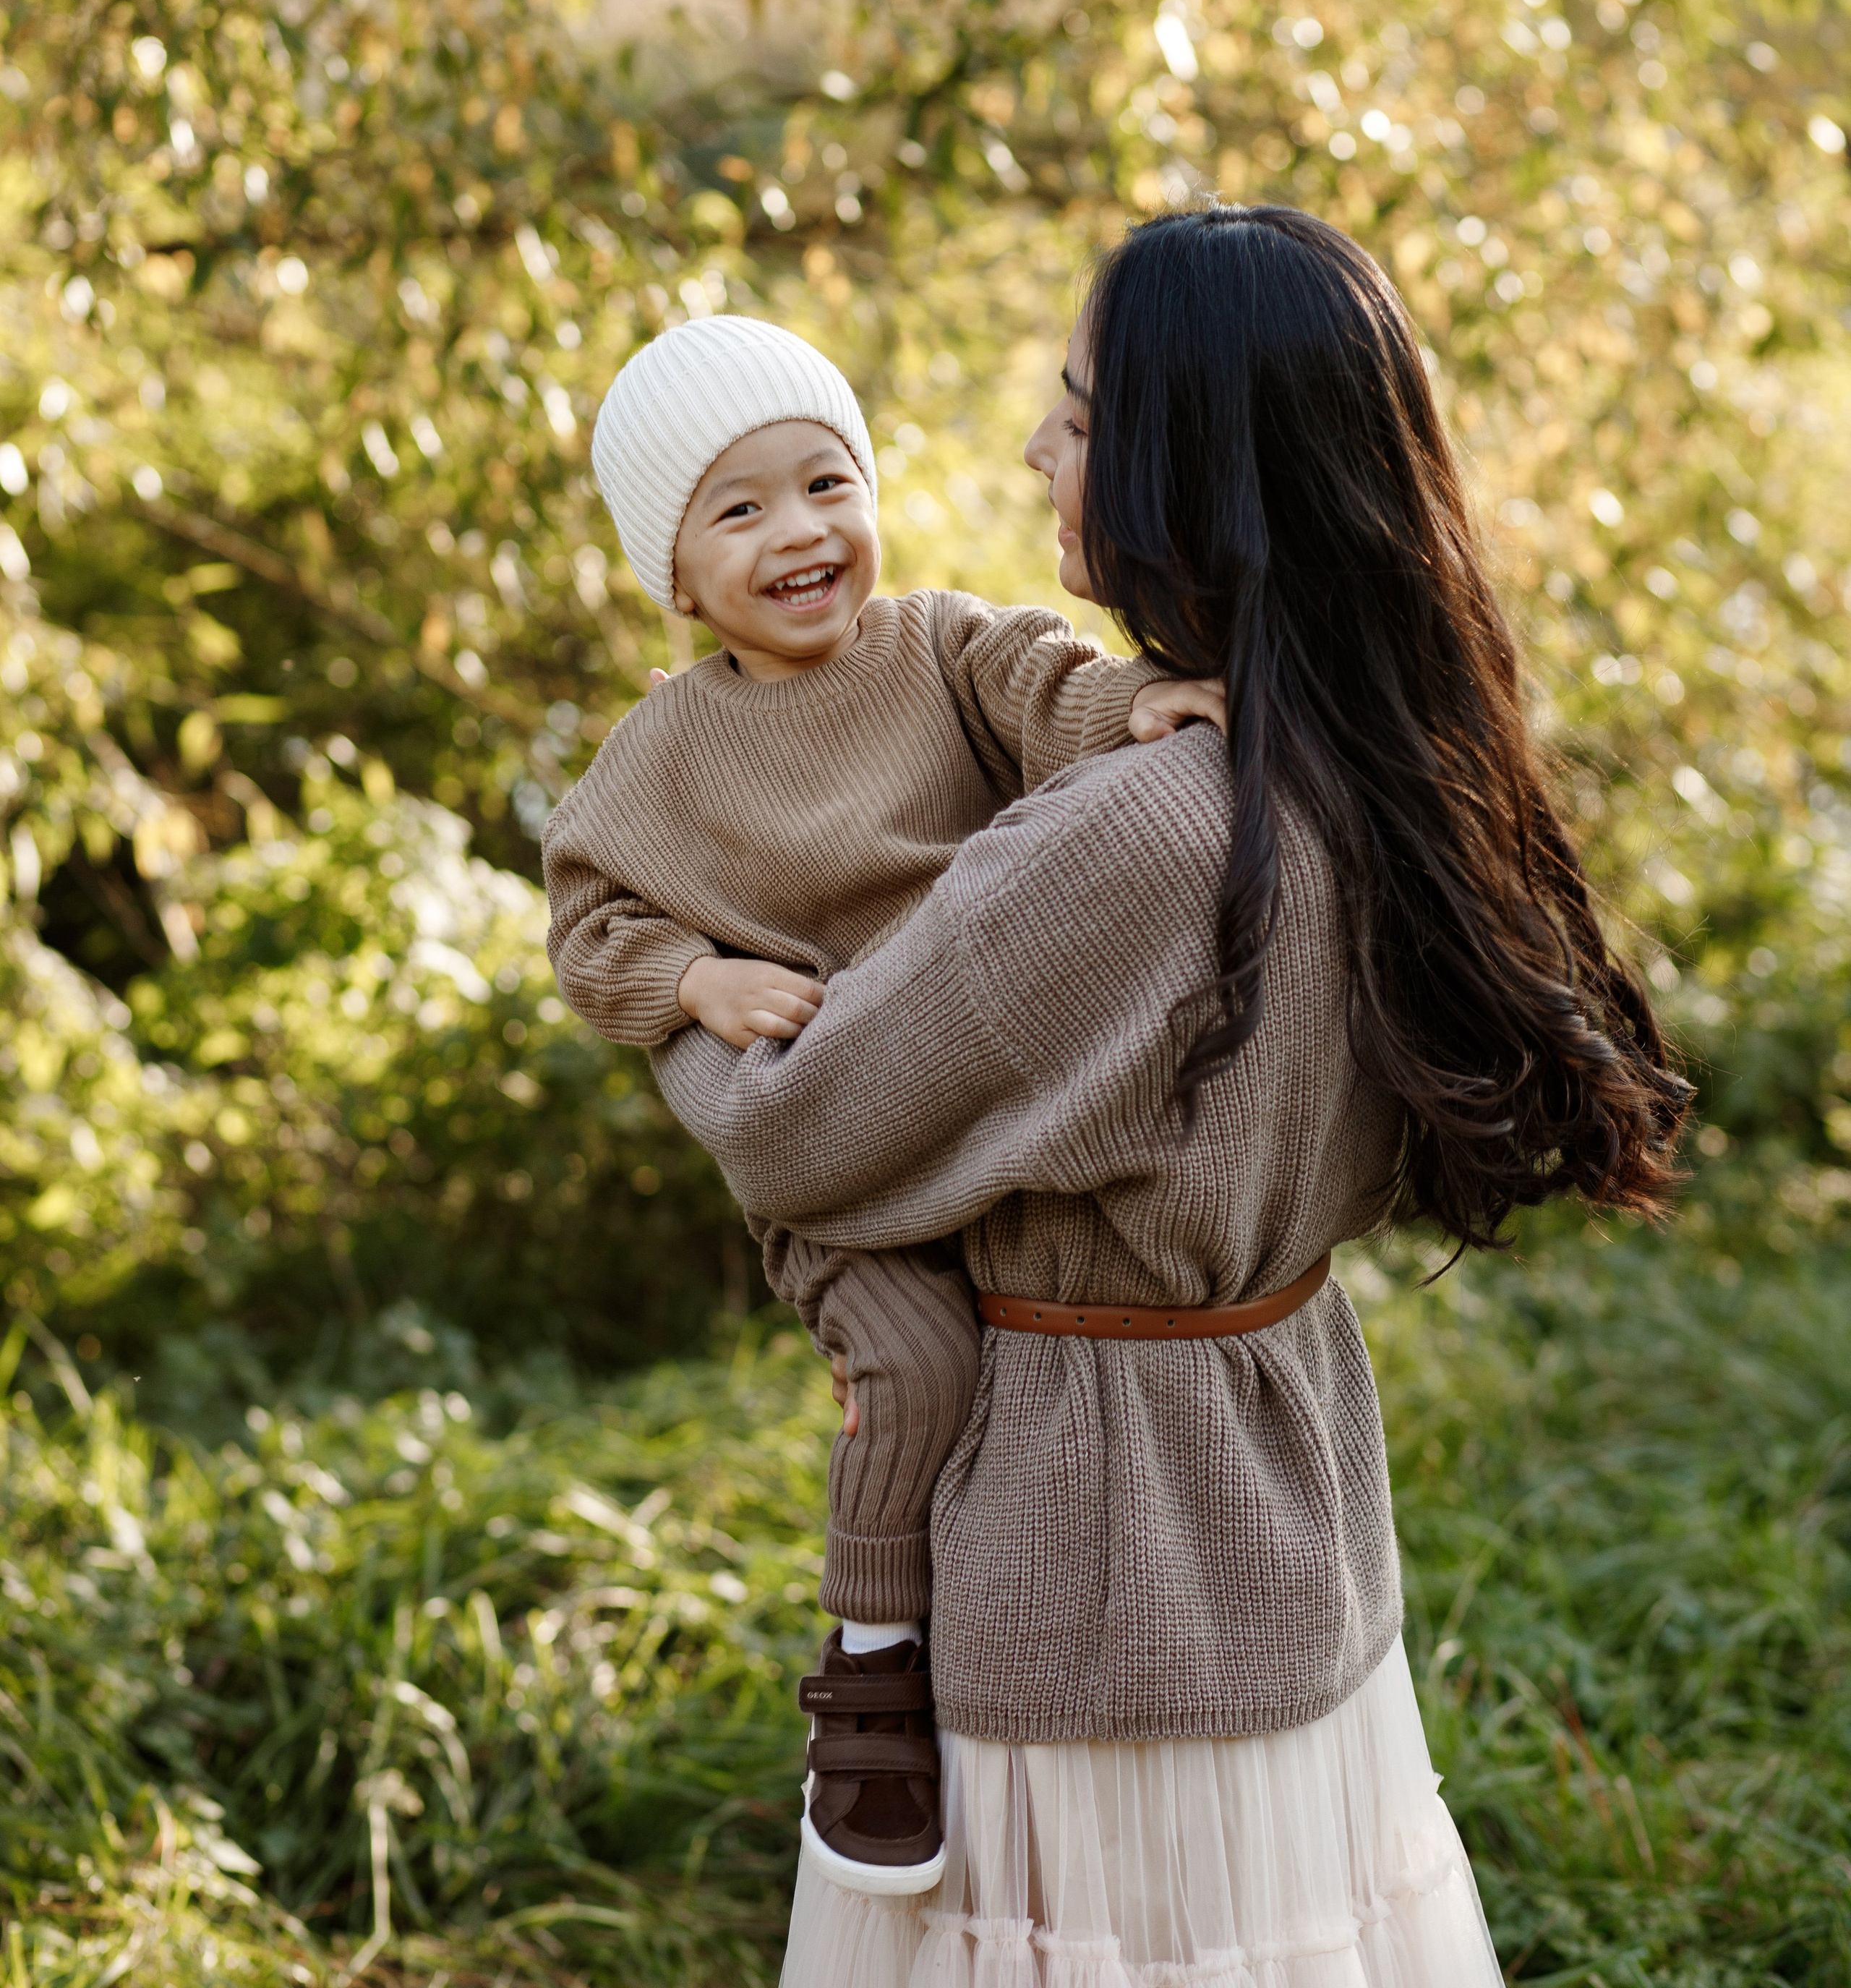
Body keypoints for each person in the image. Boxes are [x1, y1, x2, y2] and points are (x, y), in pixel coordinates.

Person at [653, 204, 1691, 1987]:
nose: (1034, 449)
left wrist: (671, 996)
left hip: (1097, 1565)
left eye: (1073, 409)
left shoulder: (1138, 835)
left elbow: (791, 1128)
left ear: (1169, 463)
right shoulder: (1364, 752)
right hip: (1284, 1501)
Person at [542, 311, 1220, 1893]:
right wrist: (692, 986)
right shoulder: (663, 755)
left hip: (989, 1098)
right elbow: (588, 923)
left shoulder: (937, 650)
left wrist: (1137, 710)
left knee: (1059, 1340)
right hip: (841, 1153)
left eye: (824, 483)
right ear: (677, 575)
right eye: (741, 509)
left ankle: (1072, 1641)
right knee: (914, 1359)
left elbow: (1047, 688)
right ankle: (869, 1666)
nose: (800, 533)